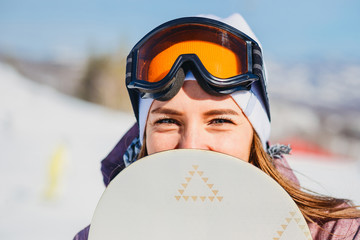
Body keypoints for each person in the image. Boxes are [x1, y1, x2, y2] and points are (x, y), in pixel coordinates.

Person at [74, 13, 360, 240]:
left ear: (255, 137)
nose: (191, 145)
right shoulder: (106, 234)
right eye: (167, 121)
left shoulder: (335, 233)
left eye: (220, 120)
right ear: (144, 135)